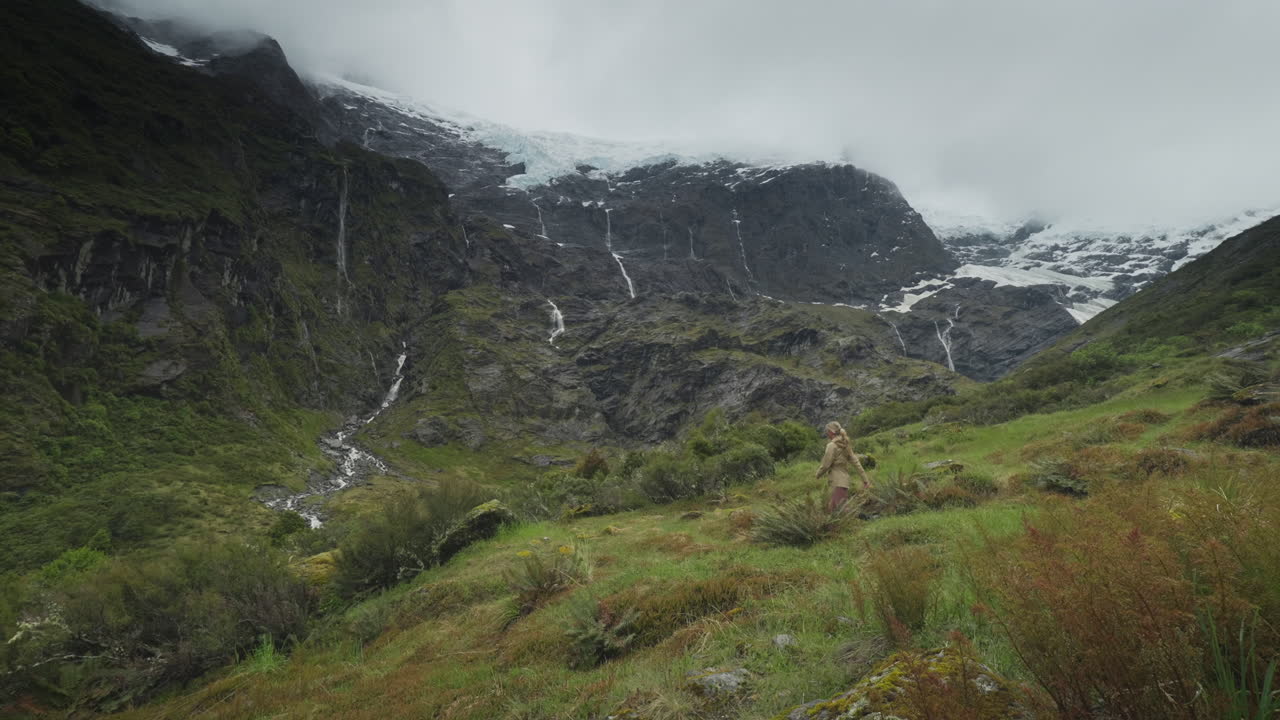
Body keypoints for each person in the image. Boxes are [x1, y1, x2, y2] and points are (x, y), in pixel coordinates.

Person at [815, 420, 871, 512]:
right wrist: (865, 480)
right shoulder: (846, 445)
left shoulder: (831, 446)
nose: (826, 434)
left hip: (836, 481)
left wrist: (817, 475)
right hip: (844, 480)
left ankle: (862, 519)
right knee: (832, 509)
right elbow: (856, 463)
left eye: (827, 431)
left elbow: (825, 465)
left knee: (842, 510)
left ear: (830, 432)